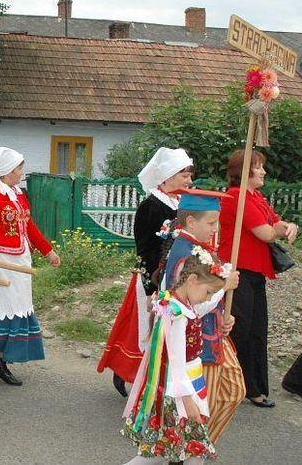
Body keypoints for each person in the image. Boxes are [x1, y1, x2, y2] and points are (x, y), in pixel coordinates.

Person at [98, 147, 193, 396]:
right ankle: (128, 372)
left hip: (178, 277)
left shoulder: (183, 203)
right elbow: (145, 247)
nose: (189, 181)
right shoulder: (151, 206)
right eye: (185, 175)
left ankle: (161, 380)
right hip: (154, 278)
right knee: (143, 329)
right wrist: (156, 279)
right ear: (168, 176)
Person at [121, 250, 229, 465]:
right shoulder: (177, 314)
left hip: (186, 386)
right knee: (181, 451)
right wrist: (188, 401)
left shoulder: (180, 303)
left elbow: (204, 306)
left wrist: (223, 289)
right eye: (208, 291)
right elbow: (176, 362)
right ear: (192, 279)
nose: (208, 297)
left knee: (169, 452)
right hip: (179, 392)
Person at [0, 147, 61, 388]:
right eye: (19, 168)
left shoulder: (18, 194)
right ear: (7, 169)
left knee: (15, 310)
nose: (21, 172)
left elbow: (29, 227)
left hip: (19, 260)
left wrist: (47, 250)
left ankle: (1, 363)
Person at [158, 189, 244, 445]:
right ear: (191, 222)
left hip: (211, 333)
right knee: (209, 401)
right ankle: (192, 448)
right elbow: (186, 306)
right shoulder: (186, 254)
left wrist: (223, 316)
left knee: (232, 391)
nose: (215, 228)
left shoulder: (196, 248)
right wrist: (223, 289)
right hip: (198, 343)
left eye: (217, 221)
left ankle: (192, 446)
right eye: (211, 222)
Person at [219, 149, 298, 409]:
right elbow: (265, 232)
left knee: (255, 330)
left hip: (254, 271)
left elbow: (275, 222)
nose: (263, 171)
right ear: (243, 171)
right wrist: (280, 229)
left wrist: (287, 226)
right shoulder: (236, 197)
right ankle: (235, 384)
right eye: (258, 167)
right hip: (238, 270)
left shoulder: (255, 196)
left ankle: (251, 386)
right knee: (240, 329)